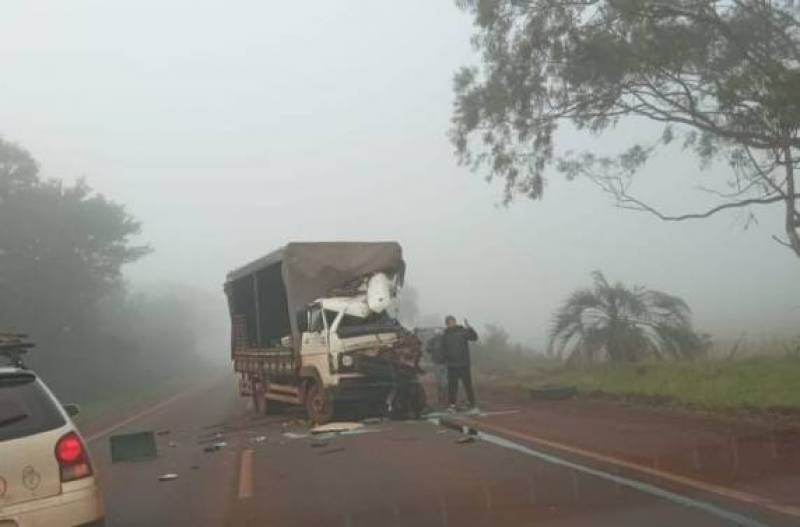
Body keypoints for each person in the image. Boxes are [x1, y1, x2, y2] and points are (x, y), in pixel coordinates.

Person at [441, 315, 478, 410]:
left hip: (464, 364)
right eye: (448, 322)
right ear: (447, 324)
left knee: (468, 385)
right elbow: (443, 349)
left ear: (455, 322)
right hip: (452, 366)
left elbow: (474, 338)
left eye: (452, 321)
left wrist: (470, 328)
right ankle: (452, 405)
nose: (450, 324)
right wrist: (444, 360)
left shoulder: (463, 332)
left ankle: (472, 404)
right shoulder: (445, 335)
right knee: (452, 387)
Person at [425, 329, 448, 406]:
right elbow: (428, 349)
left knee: (443, 382)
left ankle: (443, 399)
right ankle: (442, 399)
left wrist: (433, 349)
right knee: (442, 382)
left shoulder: (443, 339)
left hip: (442, 363)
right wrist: (434, 349)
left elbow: (428, 349)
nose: (438, 335)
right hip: (440, 363)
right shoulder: (434, 340)